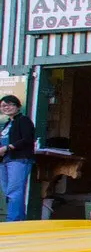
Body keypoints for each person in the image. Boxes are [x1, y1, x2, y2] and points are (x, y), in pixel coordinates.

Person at [0, 95, 36, 223]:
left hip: (18, 159)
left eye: (10, 104)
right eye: (3, 106)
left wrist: (7, 148)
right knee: (8, 192)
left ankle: (12, 221)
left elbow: (27, 139)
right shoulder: (7, 123)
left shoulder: (24, 120)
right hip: (4, 160)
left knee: (14, 191)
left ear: (18, 106)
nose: (6, 107)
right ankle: (19, 220)